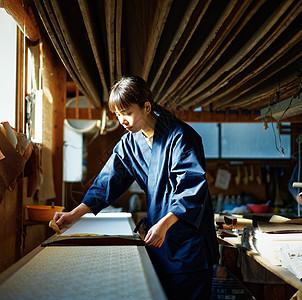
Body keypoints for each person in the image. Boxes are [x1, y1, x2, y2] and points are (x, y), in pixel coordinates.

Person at [53, 76, 219, 299]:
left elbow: (191, 189)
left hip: (188, 243)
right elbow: (106, 183)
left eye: (127, 112)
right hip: (159, 242)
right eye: (117, 114)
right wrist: (74, 214)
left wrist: (164, 224)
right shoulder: (129, 144)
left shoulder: (181, 137)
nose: (122, 120)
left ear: (147, 107)